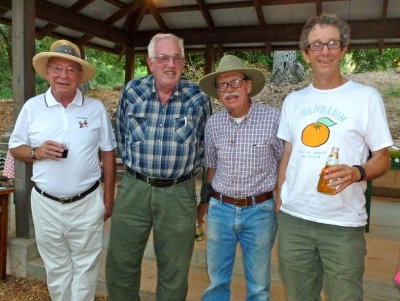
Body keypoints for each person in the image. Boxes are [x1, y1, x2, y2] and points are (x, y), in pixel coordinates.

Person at [276, 13, 393, 300]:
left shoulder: (365, 98)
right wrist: (280, 200)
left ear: (343, 50)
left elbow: (382, 157)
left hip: (342, 223)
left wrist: (357, 172)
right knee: (299, 296)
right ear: (305, 54)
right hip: (295, 220)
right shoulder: (294, 101)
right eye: (316, 45)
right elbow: (288, 154)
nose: (324, 51)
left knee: (345, 296)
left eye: (332, 43)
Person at [105, 33, 211, 301]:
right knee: (121, 265)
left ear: (183, 63)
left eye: (176, 58)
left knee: (174, 272)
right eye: (163, 57)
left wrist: (204, 197)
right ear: (150, 62)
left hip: (178, 193)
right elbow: (121, 136)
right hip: (134, 189)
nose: (170, 64)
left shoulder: (198, 97)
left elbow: (208, 147)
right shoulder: (132, 91)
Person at [9, 40, 116, 301]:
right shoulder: (33, 107)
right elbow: (15, 147)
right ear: (47, 72)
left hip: (87, 201)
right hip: (46, 203)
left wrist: (109, 195)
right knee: (56, 267)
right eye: (57, 68)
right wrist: (36, 152)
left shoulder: (95, 109)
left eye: (71, 70)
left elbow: (108, 152)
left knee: (86, 266)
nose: (64, 76)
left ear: (79, 76)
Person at [197, 54, 283, 300]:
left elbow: (283, 162)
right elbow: (211, 167)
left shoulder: (272, 119)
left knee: (258, 286)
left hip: (260, 211)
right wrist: (204, 203)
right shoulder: (213, 124)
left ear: (248, 85)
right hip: (220, 209)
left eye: (235, 82)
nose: (229, 90)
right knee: (216, 281)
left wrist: (280, 202)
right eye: (222, 85)